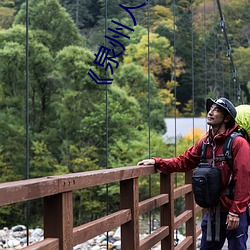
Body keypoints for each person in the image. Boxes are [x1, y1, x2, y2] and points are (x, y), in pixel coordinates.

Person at [137, 97, 250, 250]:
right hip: (213, 211)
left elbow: (244, 178)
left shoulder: (238, 143)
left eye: (216, 110)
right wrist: (157, 162)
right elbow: (184, 161)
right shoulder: (205, 143)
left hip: (233, 211)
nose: (210, 112)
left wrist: (236, 212)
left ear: (227, 118)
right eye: (210, 109)